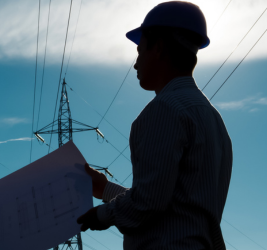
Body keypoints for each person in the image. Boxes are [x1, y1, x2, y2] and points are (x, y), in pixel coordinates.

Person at [75, 1, 233, 249]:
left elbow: (148, 202)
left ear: (158, 48)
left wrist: (102, 214)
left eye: (140, 51)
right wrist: (105, 189)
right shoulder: (213, 119)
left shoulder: (164, 110)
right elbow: (168, 202)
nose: (136, 64)